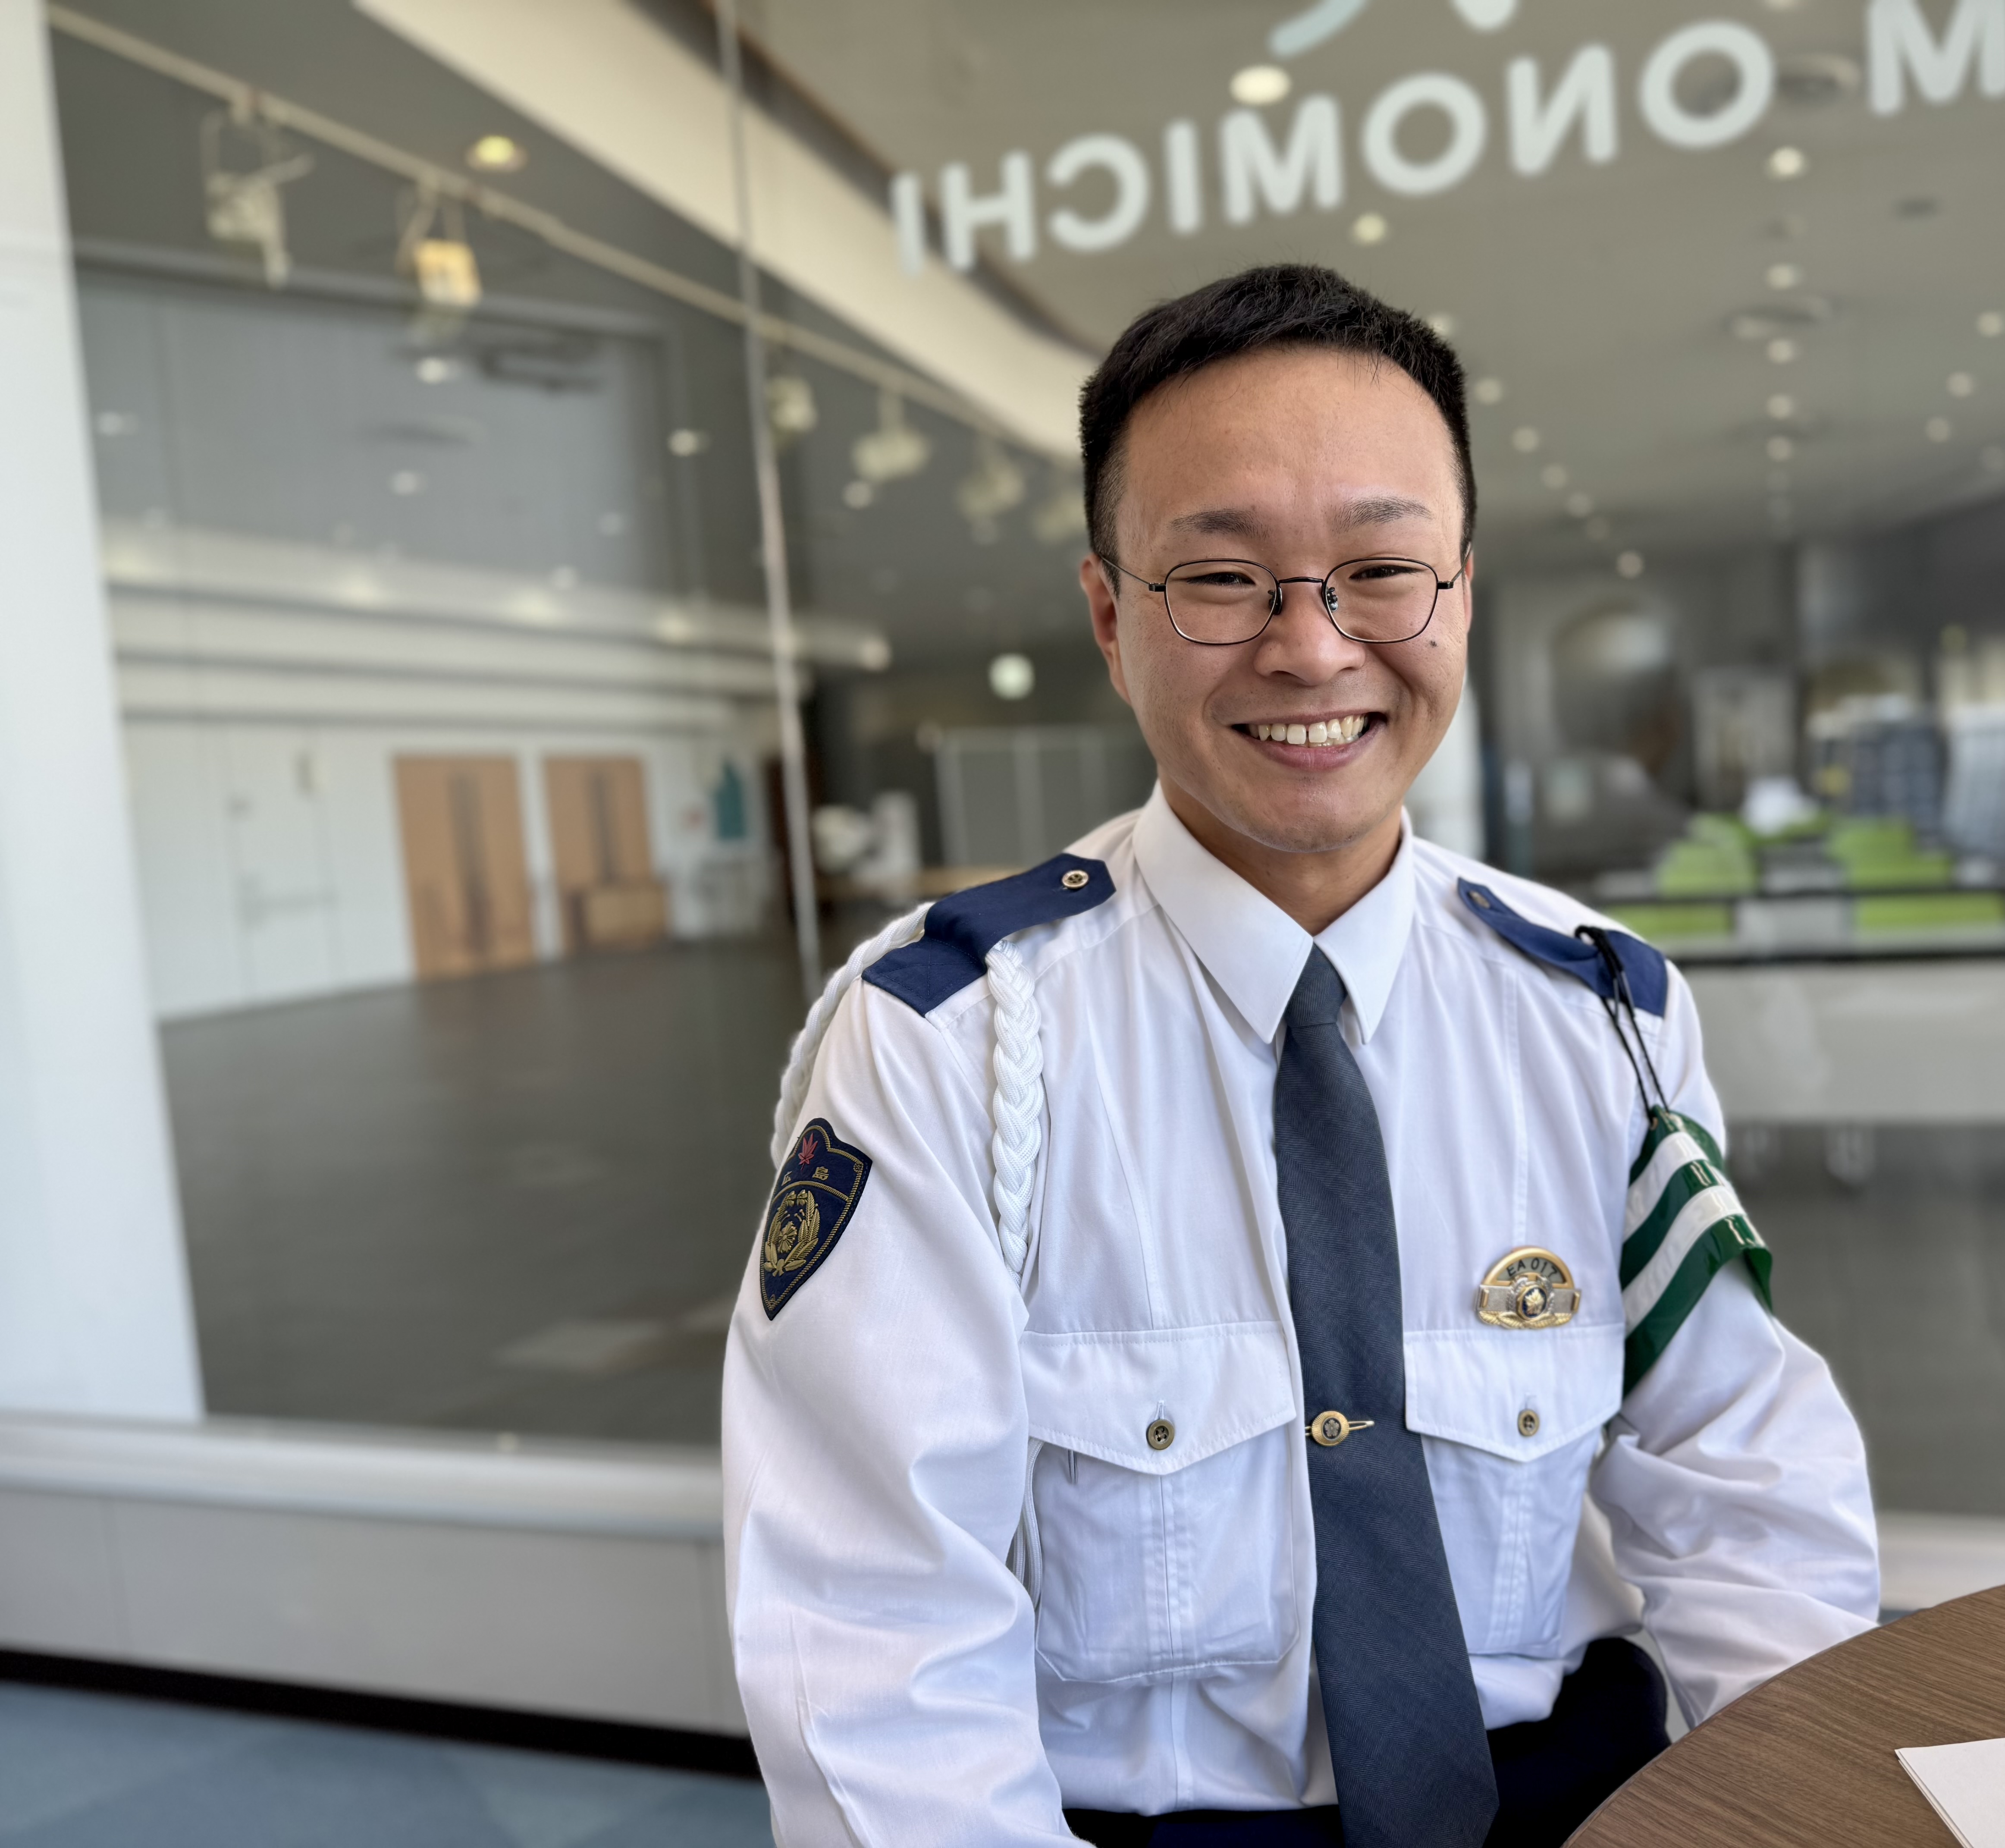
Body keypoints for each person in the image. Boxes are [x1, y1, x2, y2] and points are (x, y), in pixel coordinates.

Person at [723, 264, 1878, 1848]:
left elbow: (1741, 1487)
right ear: (1110, 615)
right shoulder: (945, 1043)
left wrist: (1805, 1808)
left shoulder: (1604, 1010)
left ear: (1460, 592)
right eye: (1223, 579)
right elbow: (872, 1633)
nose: (1314, 649)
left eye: (1381, 569)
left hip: (1573, 1794)